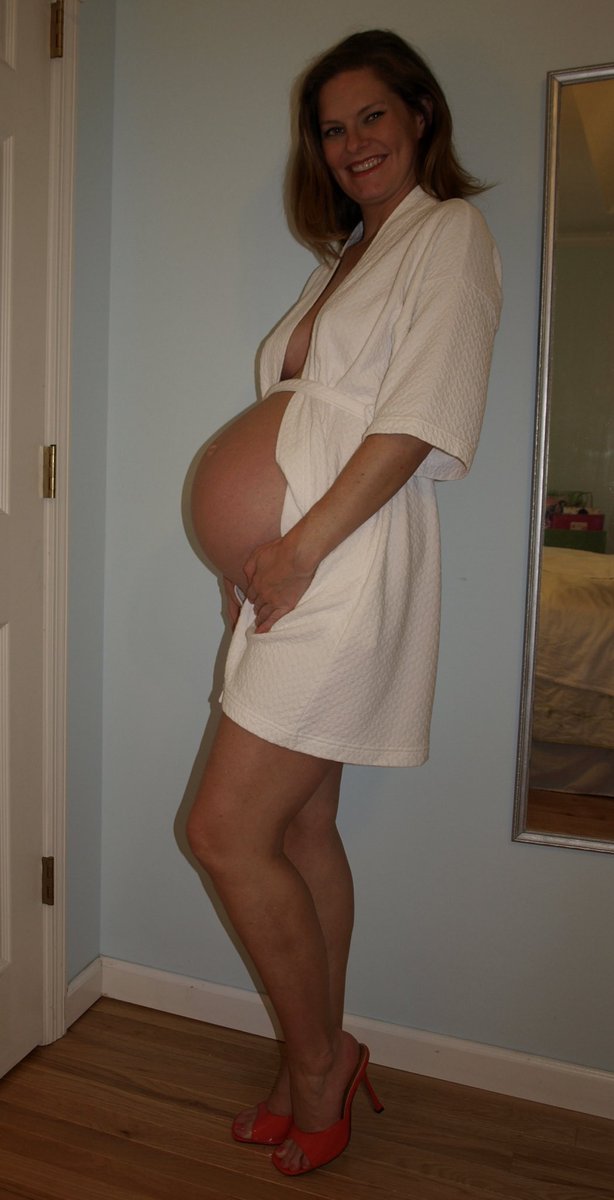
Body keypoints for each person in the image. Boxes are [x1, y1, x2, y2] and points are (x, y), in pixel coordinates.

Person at [186, 29, 501, 1178]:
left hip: (340, 564)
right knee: (299, 828)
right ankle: (313, 1056)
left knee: (222, 832)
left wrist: (294, 552)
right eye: (331, 127)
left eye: (371, 115)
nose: (352, 142)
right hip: (289, 572)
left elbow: (416, 418)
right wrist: (243, 562)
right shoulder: (349, 255)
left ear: (419, 115)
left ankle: (320, 1066)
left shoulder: (446, 234)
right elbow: (298, 426)